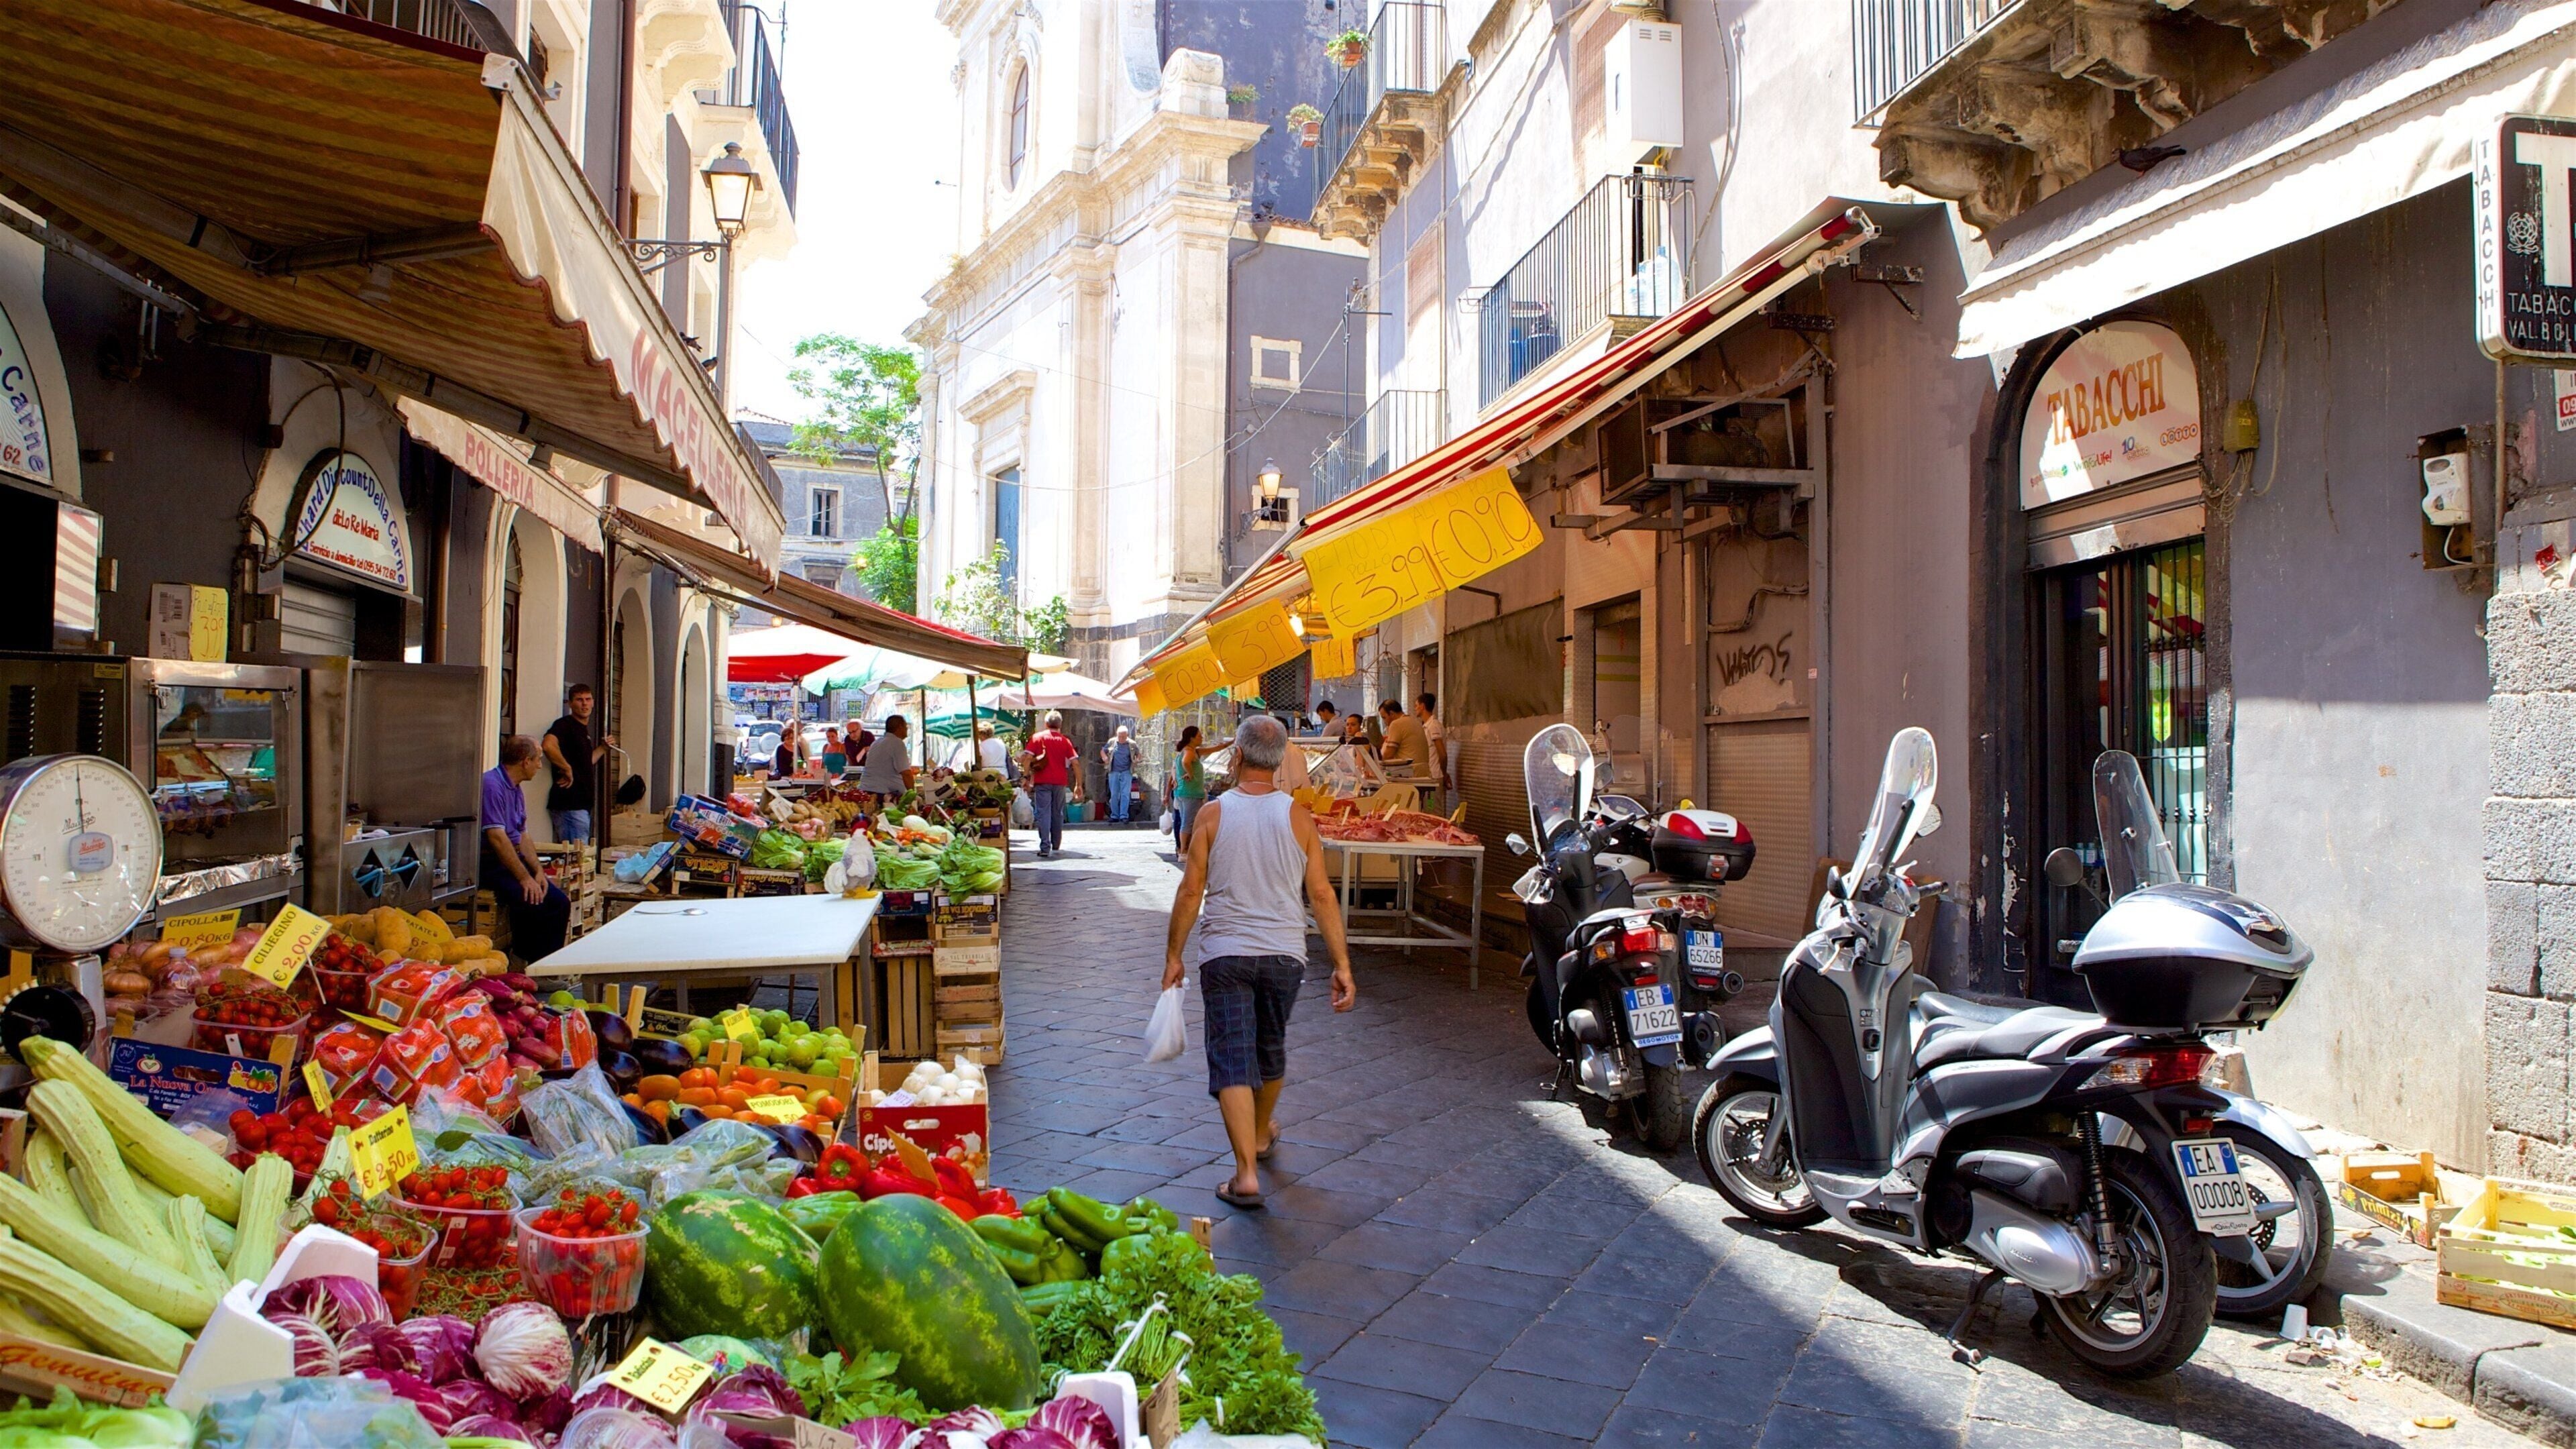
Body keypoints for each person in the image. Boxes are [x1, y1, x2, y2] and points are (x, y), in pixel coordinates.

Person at [1163, 715, 1356, 1211]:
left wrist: (1173, 956)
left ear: (1238, 757)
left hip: (1225, 954)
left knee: (1232, 1057)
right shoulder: (1299, 817)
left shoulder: (1211, 814)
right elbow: (1320, 894)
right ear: (1279, 762)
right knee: (1269, 1048)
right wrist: (1341, 963)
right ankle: (1263, 1136)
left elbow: (1190, 891)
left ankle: (1246, 1172)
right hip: (1284, 956)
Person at [481, 736, 571, 963]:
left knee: (559, 903)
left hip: (512, 858)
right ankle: (524, 960)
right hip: (490, 861)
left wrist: (538, 871)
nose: (541, 766)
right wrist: (524, 878)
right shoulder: (492, 785)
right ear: (525, 761)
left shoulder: (516, 789)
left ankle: (545, 965)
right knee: (531, 900)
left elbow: (523, 835)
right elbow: (497, 838)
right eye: (538, 760)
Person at [541, 684, 610, 845]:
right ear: (570, 703)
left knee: (580, 858)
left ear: (593, 702)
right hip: (569, 804)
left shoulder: (583, 730)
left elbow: (586, 763)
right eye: (579, 700)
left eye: (588, 699)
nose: (584, 704)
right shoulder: (564, 725)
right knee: (576, 858)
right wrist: (566, 767)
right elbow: (548, 745)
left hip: (581, 805)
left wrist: (602, 749)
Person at [1024, 710, 1079, 857]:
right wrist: (1078, 784)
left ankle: (1045, 846)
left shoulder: (1037, 738)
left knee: (1044, 812)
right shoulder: (1065, 741)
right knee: (1057, 812)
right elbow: (1075, 763)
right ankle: (1056, 843)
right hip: (1060, 781)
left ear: (1046, 724)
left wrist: (1026, 776)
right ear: (1060, 724)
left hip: (1043, 781)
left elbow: (1028, 758)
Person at [859, 714, 917, 800]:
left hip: (865, 791)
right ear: (900, 727)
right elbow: (906, 774)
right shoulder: (897, 743)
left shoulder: (877, 742)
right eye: (905, 726)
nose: (907, 729)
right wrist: (913, 796)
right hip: (883, 795)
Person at [1171, 724, 1208, 851]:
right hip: (1190, 793)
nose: (1202, 738)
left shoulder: (1189, 751)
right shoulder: (1189, 751)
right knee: (1188, 823)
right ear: (1192, 738)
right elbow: (1185, 762)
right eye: (1199, 736)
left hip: (1182, 792)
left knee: (1185, 821)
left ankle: (1185, 849)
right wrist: (1191, 774)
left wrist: (1229, 743)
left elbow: (1214, 749)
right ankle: (1183, 851)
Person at [1378, 698, 1432, 781]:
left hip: (1410, 774)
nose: (1385, 722)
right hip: (1423, 773)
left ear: (1392, 714)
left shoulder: (1396, 724)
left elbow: (1388, 755)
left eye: (1384, 718)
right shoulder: (1414, 721)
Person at [1413, 692, 1448, 811]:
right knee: (1427, 810)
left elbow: (1442, 754)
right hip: (1429, 777)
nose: (1415, 708)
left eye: (1416, 705)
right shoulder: (1426, 726)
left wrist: (1443, 774)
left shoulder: (1433, 726)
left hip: (1435, 777)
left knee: (1432, 809)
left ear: (1422, 706)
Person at [1099, 726, 1137, 824]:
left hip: (1126, 772)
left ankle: (1124, 815)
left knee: (1125, 794)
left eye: (1123, 737)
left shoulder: (1132, 744)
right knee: (1114, 794)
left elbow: (1138, 753)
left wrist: (1137, 760)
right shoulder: (1112, 742)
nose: (1121, 739)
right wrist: (1105, 758)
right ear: (1117, 735)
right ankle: (1115, 815)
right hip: (1114, 771)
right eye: (1120, 736)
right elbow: (1103, 751)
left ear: (1127, 736)